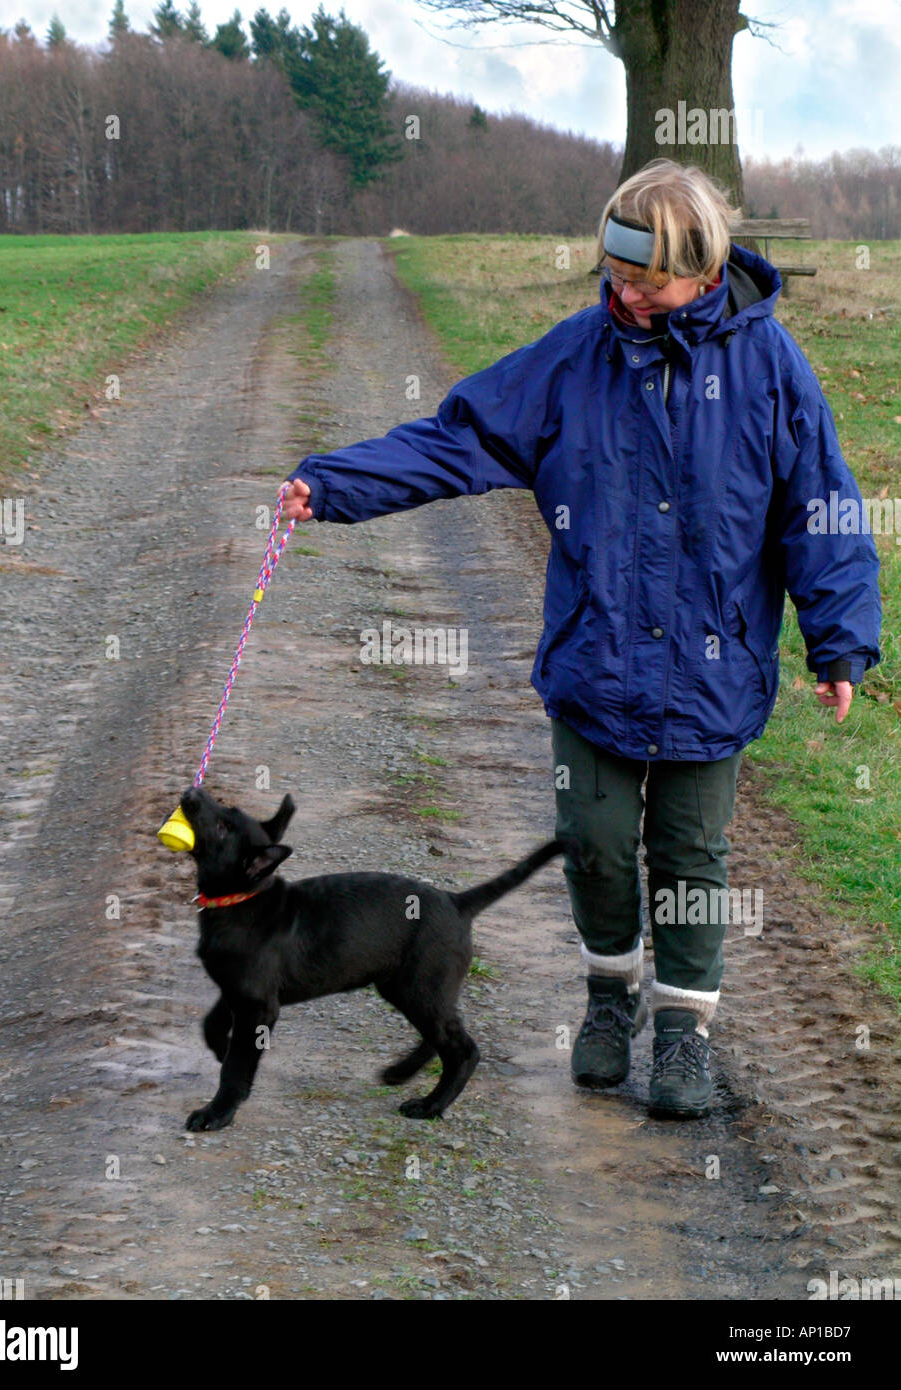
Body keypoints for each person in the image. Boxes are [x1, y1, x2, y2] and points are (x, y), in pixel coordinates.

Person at [281, 158, 881, 1119]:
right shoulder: (573, 359)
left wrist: (839, 637)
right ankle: (610, 1002)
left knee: (693, 858)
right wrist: (335, 485)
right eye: (616, 275)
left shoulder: (771, 369)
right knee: (596, 844)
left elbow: (822, 505)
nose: (628, 296)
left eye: (649, 282)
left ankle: (683, 1030)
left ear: (705, 268)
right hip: (595, 667)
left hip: (713, 677)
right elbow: (455, 440)